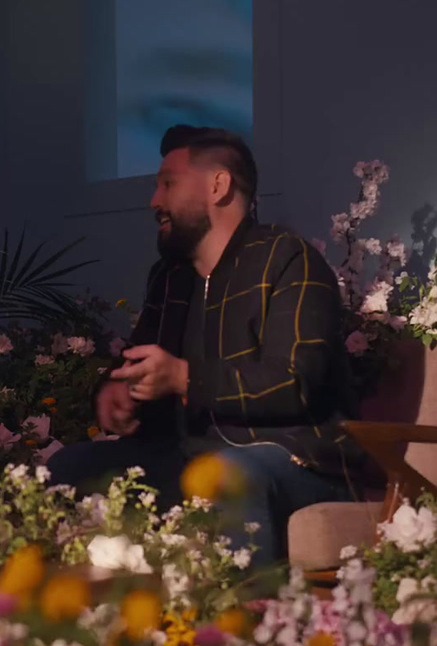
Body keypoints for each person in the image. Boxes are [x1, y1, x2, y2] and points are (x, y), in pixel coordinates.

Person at [46, 125, 363, 567]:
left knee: (224, 476)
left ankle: (248, 624)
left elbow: (296, 384)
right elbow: (140, 362)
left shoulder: (286, 258)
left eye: (168, 184)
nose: (155, 201)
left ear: (218, 185)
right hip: (187, 454)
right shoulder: (170, 277)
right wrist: (119, 392)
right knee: (65, 470)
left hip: (294, 459)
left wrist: (183, 378)